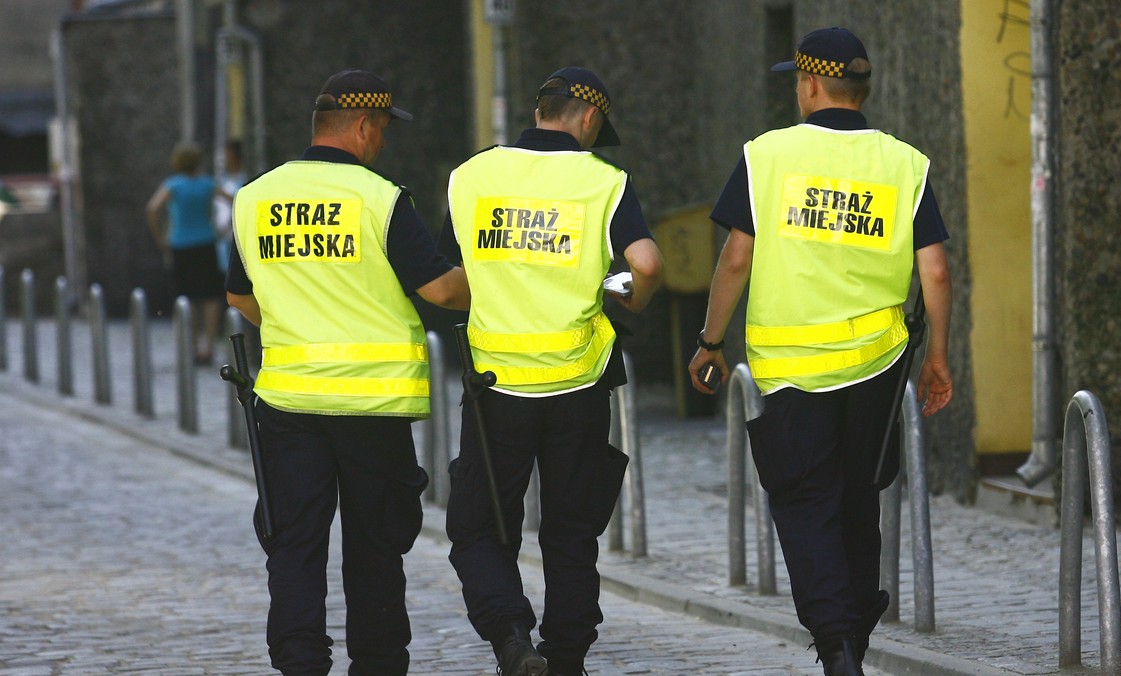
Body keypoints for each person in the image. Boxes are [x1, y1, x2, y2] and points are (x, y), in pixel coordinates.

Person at [687, 28, 953, 676]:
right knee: (859, 497)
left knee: (805, 504)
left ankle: (835, 643)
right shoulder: (903, 164)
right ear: (861, 90)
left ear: (809, 85)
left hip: (792, 373)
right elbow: (937, 270)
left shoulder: (765, 156)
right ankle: (854, 631)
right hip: (876, 367)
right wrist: (939, 358)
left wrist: (711, 340)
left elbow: (737, 255)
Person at [225, 69, 470, 676]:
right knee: (376, 548)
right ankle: (379, 665)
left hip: (287, 407)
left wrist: (294, 323)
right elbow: (441, 289)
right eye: (383, 129)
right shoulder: (380, 198)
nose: (383, 143)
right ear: (364, 126)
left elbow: (240, 299)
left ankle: (300, 662)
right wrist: (500, 279)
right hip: (373, 408)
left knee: (293, 546)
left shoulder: (256, 196)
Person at [440, 66, 664, 676]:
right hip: (578, 385)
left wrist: (496, 290)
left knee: (481, 526)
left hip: (497, 388)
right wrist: (618, 289)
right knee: (570, 531)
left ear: (541, 110)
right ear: (590, 118)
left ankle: (512, 637)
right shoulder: (603, 181)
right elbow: (644, 265)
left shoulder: (472, 176)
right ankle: (566, 657)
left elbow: (448, 284)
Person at [145, 142, 230, 363]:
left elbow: (153, 209)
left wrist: (161, 239)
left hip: (181, 245)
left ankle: (192, 346)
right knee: (211, 296)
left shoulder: (173, 185)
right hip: (206, 242)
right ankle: (209, 346)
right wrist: (224, 228)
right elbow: (235, 201)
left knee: (188, 297)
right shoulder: (208, 184)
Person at [214, 139, 247, 275]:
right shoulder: (221, 180)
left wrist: (229, 224)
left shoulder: (244, 179)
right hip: (220, 236)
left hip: (235, 233)